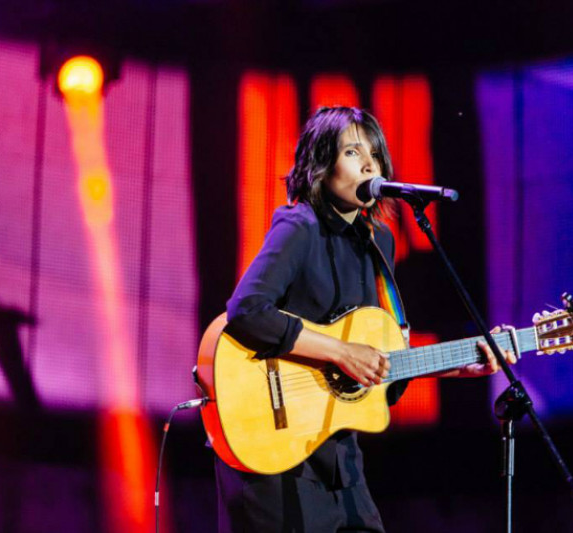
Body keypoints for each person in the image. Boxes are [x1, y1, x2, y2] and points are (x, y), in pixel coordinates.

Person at [215, 106, 515, 532]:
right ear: (321, 163)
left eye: (375, 153)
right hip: (278, 452)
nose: (370, 164)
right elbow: (247, 310)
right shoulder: (300, 227)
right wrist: (340, 351)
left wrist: (459, 366)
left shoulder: (379, 242)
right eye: (353, 152)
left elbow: (377, 364)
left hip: (343, 462)